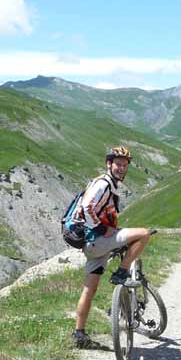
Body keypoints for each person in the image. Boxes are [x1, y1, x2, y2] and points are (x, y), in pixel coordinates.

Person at [71, 146, 152, 348]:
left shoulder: (109, 184)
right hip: (97, 240)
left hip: (91, 245)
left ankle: (79, 334)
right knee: (143, 233)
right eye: (118, 164)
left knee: (89, 290)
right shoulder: (103, 184)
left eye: (125, 165)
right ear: (109, 163)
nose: (121, 168)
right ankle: (122, 272)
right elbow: (86, 207)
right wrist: (100, 228)